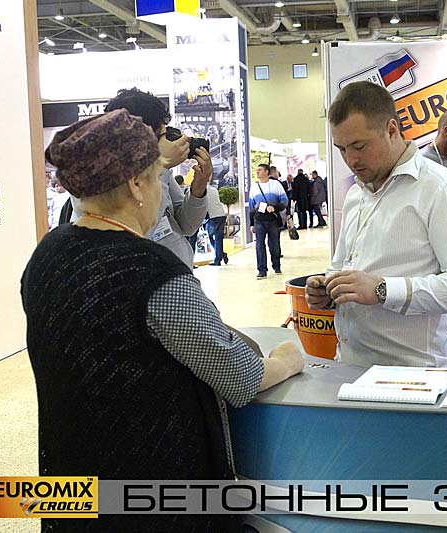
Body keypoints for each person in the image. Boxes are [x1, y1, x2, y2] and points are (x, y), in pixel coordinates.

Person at [22, 110, 304, 532]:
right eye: (157, 177)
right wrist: (285, 359)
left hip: (71, 484)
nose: (161, 191)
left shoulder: (47, 255)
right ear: (135, 185)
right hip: (155, 497)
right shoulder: (152, 272)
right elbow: (238, 376)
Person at [305, 81, 447, 368]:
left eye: (359, 146)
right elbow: (342, 266)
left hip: (414, 379)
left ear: (391, 130)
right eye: (341, 149)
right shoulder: (356, 194)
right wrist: (329, 290)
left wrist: (383, 290)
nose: (351, 159)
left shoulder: (442, 189)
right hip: (348, 369)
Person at [69, 88, 212, 269]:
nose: (165, 141)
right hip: (140, 280)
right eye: (160, 135)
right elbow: (133, 234)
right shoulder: (94, 177)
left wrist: (198, 189)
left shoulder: (157, 169)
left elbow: (187, 226)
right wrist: (159, 166)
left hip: (176, 273)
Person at [250, 163, 288, 279]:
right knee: (259, 245)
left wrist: (275, 207)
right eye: (257, 170)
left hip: (273, 220)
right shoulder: (254, 187)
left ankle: (276, 266)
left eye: (260, 170)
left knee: (274, 244)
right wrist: (251, 224)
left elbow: (285, 200)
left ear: (267, 172)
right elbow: (251, 207)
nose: (257, 172)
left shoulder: (276, 185)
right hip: (259, 220)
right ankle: (262, 270)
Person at [205, 184, 228, 266]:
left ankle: (220, 256)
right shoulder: (214, 189)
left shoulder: (202, 191)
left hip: (213, 216)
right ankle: (219, 257)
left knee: (209, 236)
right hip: (221, 215)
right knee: (219, 239)